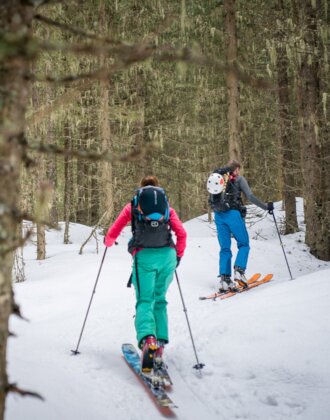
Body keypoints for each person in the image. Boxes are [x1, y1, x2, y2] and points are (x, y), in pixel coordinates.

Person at [104, 175, 187, 372]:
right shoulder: (166, 207)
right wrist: (178, 256)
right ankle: (159, 345)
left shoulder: (133, 205)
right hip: (168, 256)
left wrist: (108, 242)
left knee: (145, 299)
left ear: (141, 190)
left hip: (144, 257)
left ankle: (148, 340)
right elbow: (181, 233)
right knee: (160, 298)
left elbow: (114, 230)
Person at [208, 160, 274, 292]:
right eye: (239, 169)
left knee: (225, 248)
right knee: (244, 244)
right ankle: (239, 270)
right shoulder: (239, 179)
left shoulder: (218, 177)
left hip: (219, 215)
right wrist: (266, 207)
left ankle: (225, 279)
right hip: (233, 214)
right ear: (237, 169)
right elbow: (250, 196)